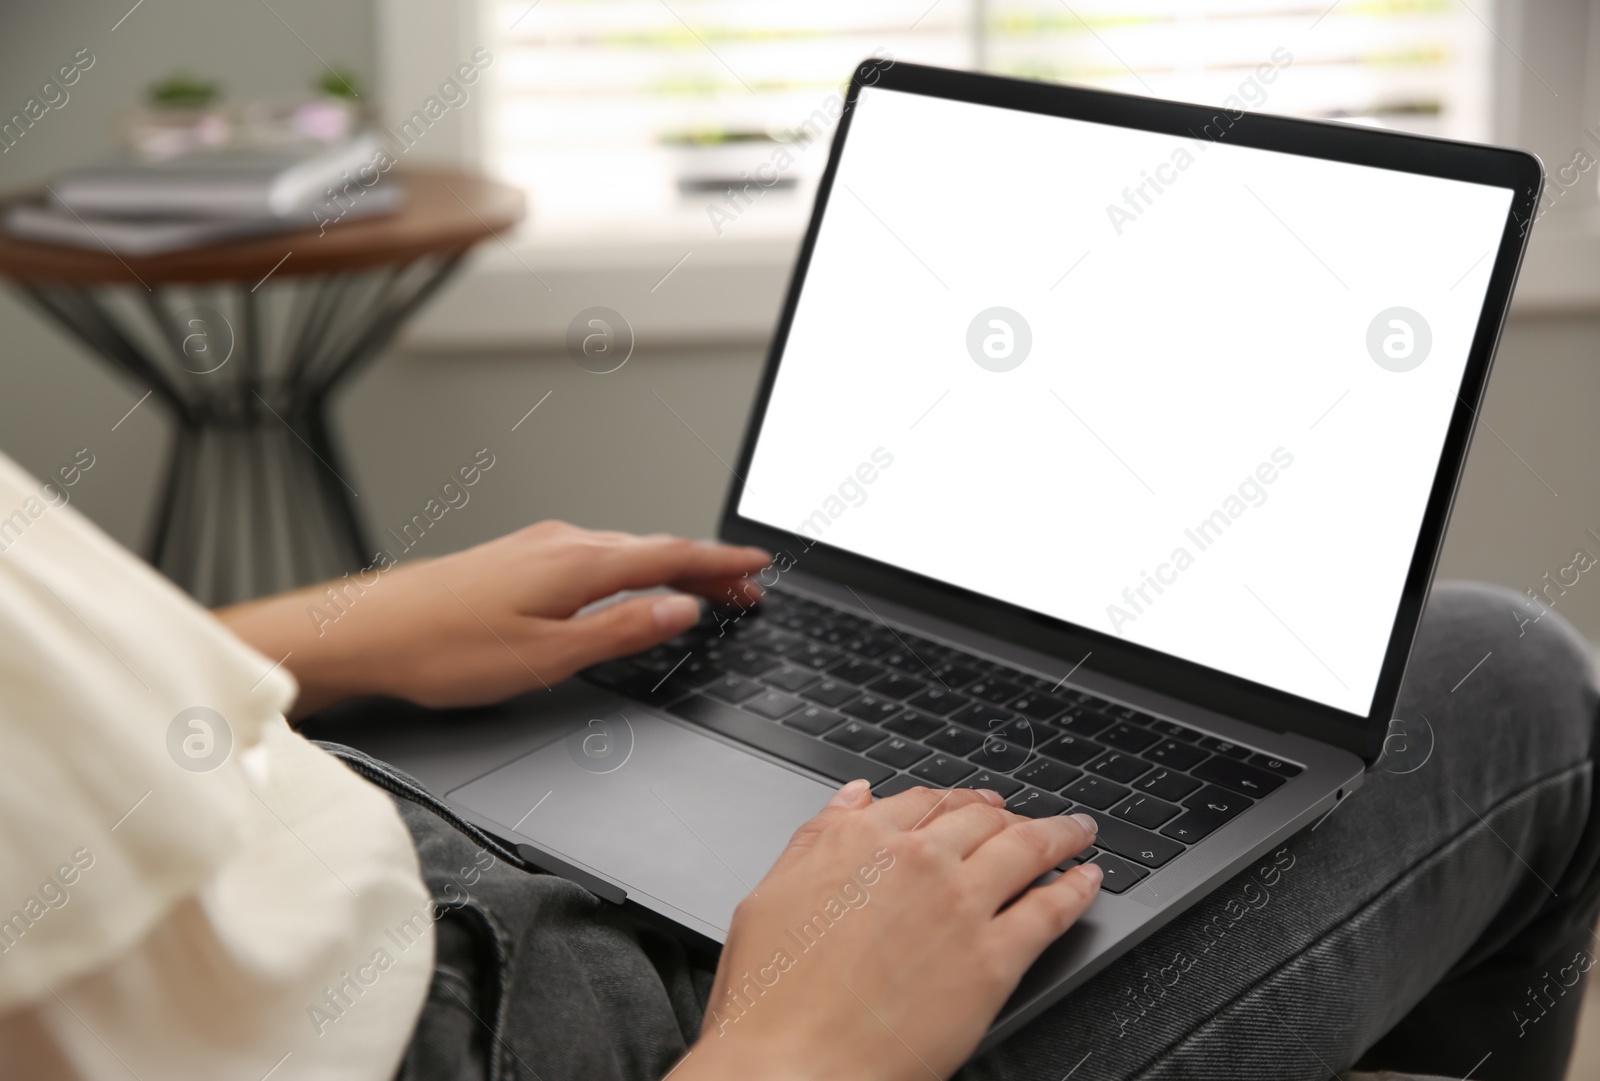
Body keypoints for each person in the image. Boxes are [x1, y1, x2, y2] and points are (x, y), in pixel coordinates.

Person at [0, 448, 1594, 1081]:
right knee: (1502, 681)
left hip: (359, 813)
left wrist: (306, 636)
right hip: (623, 1044)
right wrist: (800, 1052)